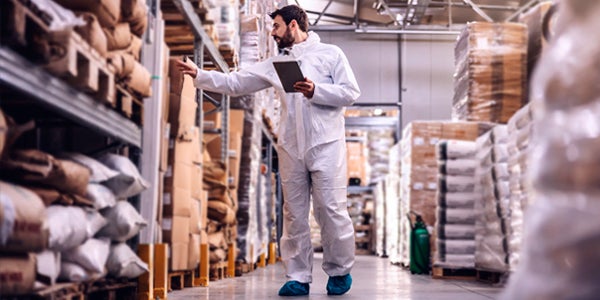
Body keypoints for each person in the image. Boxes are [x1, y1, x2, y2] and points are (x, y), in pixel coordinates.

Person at [177, 4, 360, 296]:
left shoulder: (331, 54)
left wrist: (316, 91)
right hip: (291, 146)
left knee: (331, 209)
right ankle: (298, 276)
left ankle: (339, 271)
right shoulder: (278, 63)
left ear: (292, 25)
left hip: (326, 145)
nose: (272, 33)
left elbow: (350, 92)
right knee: (294, 213)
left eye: (276, 26)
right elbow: (237, 82)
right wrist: (199, 75)